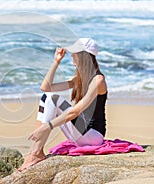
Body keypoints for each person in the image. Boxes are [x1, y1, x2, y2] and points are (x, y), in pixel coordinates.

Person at [18, 38, 107, 171]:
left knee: (53, 99)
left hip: (93, 135)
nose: (72, 56)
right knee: (47, 97)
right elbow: (46, 87)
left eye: (75, 53)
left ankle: (35, 153)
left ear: (84, 55)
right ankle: (36, 151)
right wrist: (56, 62)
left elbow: (75, 112)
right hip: (80, 132)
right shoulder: (79, 79)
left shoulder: (98, 80)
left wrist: (47, 127)